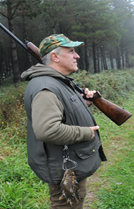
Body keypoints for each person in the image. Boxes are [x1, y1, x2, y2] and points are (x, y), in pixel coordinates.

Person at [21, 34, 107, 209]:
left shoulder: (57, 82)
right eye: (72, 51)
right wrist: (86, 133)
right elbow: (48, 130)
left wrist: (84, 103)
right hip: (64, 168)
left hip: (69, 164)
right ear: (55, 56)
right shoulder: (47, 87)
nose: (77, 56)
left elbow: (62, 111)